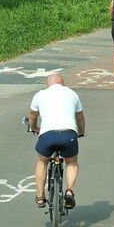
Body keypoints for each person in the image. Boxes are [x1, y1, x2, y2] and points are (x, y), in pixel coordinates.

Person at [27, 74, 85, 209]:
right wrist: (81, 131)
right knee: (71, 162)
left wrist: (34, 127)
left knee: (42, 161)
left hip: (47, 135)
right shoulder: (72, 93)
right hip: (68, 134)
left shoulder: (40, 95)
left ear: (48, 84)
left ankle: (41, 196)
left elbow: (32, 115)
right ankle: (69, 191)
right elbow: (80, 116)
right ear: (62, 83)